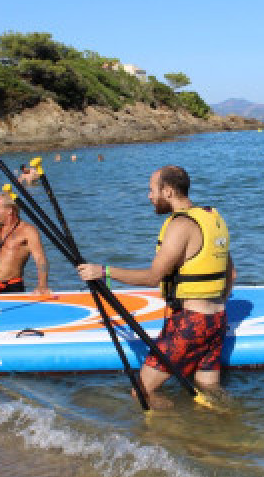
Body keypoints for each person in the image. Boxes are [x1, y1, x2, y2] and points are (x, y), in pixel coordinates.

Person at [76, 165, 234, 409]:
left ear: (168, 191)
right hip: (217, 321)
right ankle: (225, 426)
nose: (149, 196)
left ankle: (170, 437)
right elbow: (230, 273)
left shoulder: (180, 226)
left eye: (152, 190)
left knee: (142, 392)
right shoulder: (213, 218)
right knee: (210, 390)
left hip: (191, 325)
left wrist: (103, 272)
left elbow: (153, 277)